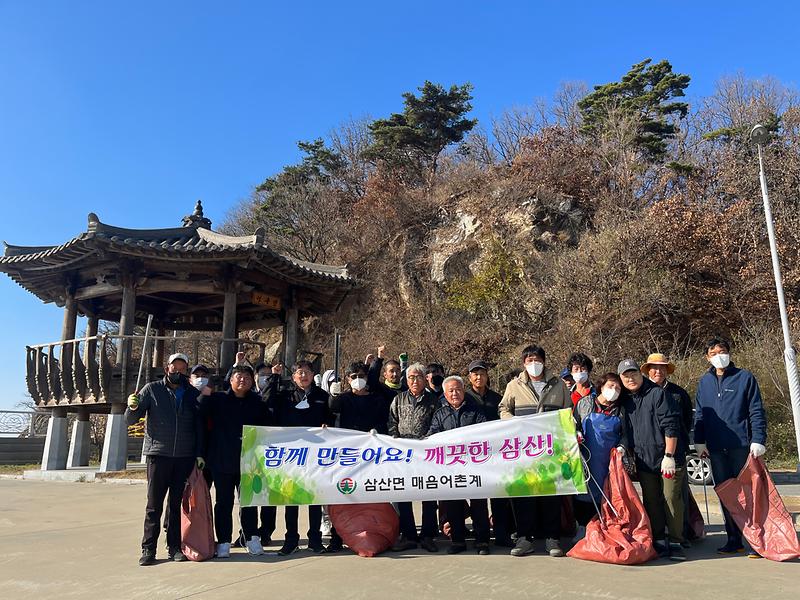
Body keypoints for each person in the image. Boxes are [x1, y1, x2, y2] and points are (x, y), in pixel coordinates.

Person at [125, 353, 204, 566]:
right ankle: (148, 548)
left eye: (182, 368)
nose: (178, 371)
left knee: (175, 505)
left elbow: (198, 426)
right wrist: (132, 406)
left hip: (184, 456)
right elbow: (130, 419)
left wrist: (198, 453)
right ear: (166, 367)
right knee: (154, 505)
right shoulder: (152, 389)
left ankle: (174, 547)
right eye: (174, 367)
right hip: (158, 455)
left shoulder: (192, 393)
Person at [693, 337, 767, 557]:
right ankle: (733, 539)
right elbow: (700, 415)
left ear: (729, 353)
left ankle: (757, 541)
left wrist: (758, 439)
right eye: (713, 353)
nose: (719, 356)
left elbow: (756, 410)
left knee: (749, 495)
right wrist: (699, 441)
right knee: (726, 495)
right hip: (716, 449)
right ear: (707, 357)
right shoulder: (704, 382)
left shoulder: (745, 377)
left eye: (722, 351)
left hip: (741, 446)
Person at [499, 344, 571, 558]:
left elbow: (568, 411)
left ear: (544, 361)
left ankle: (552, 539)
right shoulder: (514, 385)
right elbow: (503, 409)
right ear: (523, 363)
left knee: (551, 495)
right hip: (524, 451)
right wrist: (513, 422)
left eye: (537, 360)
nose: (534, 364)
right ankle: (524, 538)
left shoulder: (558, 384)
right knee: (524, 495)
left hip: (551, 450)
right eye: (529, 360)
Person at [619, 358, 687, 561]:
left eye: (633, 374)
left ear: (641, 374)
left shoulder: (658, 394)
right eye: (626, 376)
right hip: (644, 460)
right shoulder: (625, 400)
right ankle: (658, 539)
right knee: (651, 501)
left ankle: (676, 541)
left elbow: (671, 425)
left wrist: (669, 455)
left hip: (668, 458)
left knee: (671, 498)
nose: (630, 378)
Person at [199, 364, 270, 558]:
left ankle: (251, 538)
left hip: (249, 461)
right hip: (222, 459)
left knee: (249, 502)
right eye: (239, 376)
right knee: (223, 502)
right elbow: (200, 410)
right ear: (230, 380)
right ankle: (223, 541)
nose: (243, 380)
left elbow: (269, 425)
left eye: (247, 377)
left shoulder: (257, 402)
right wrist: (208, 388)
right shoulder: (218, 399)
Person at [263, 360, 333, 555]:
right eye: (299, 372)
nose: (304, 376)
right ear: (293, 377)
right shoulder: (284, 395)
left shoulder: (322, 396)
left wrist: (327, 425)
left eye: (307, 372)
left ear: (313, 375)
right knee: (291, 499)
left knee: (315, 498)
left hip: (314, 454)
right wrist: (274, 377)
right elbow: (266, 401)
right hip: (291, 455)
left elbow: (330, 417)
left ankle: (315, 540)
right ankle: (291, 539)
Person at [427, 376, 490, 555]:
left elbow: (485, 433)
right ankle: (458, 541)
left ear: (464, 391)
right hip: (451, 467)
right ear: (445, 394)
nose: (455, 393)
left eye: (458, 390)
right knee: (453, 504)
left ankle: (482, 541)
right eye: (451, 391)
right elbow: (433, 435)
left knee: (479, 504)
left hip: (474, 465)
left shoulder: (476, 410)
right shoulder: (440, 414)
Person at [641, 352, 696, 545]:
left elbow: (686, 421)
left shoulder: (678, 394)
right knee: (653, 498)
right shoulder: (641, 393)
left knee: (676, 497)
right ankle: (658, 536)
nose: (658, 371)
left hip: (675, 453)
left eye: (662, 368)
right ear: (648, 370)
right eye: (654, 368)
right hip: (649, 454)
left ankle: (681, 534)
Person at [388, 362, 441, 552]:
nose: (415, 380)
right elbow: (392, 422)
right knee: (404, 494)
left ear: (425, 379)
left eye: (418, 377)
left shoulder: (433, 400)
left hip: (426, 455)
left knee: (429, 495)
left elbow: (437, 424)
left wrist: (426, 441)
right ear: (406, 380)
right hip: (404, 455)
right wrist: (396, 441)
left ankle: (428, 536)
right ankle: (409, 535)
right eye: (411, 377)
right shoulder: (398, 399)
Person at [465, 359, 513, 547]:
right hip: (473, 456)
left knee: (500, 497)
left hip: (495, 455)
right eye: (475, 374)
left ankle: (502, 535)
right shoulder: (465, 398)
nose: (479, 377)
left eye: (482, 374)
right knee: (478, 499)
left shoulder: (497, 398)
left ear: (487, 376)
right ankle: (482, 537)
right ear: (470, 378)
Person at [573, 372, 629, 531]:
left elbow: (626, 435)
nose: (614, 390)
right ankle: (582, 526)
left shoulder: (621, 410)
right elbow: (574, 425)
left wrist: (622, 447)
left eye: (618, 388)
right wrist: (576, 433)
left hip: (608, 460)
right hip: (585, 457)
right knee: (583, 491)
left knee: (607, 492)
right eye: (611, 386)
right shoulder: (584, 403)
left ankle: (604, 526)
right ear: (601, 386)